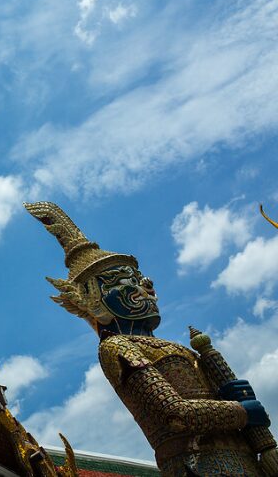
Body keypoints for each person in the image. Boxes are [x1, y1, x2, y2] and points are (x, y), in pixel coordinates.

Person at [26, 201, 271, 477]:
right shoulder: (117, 347)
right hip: (197, 466)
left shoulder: (177, 348)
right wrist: (242, 411)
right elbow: (176, 415)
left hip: (247, 461)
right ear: (94, 302)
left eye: (139, 277)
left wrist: (235, 398)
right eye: (122, 280)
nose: (145, 285)